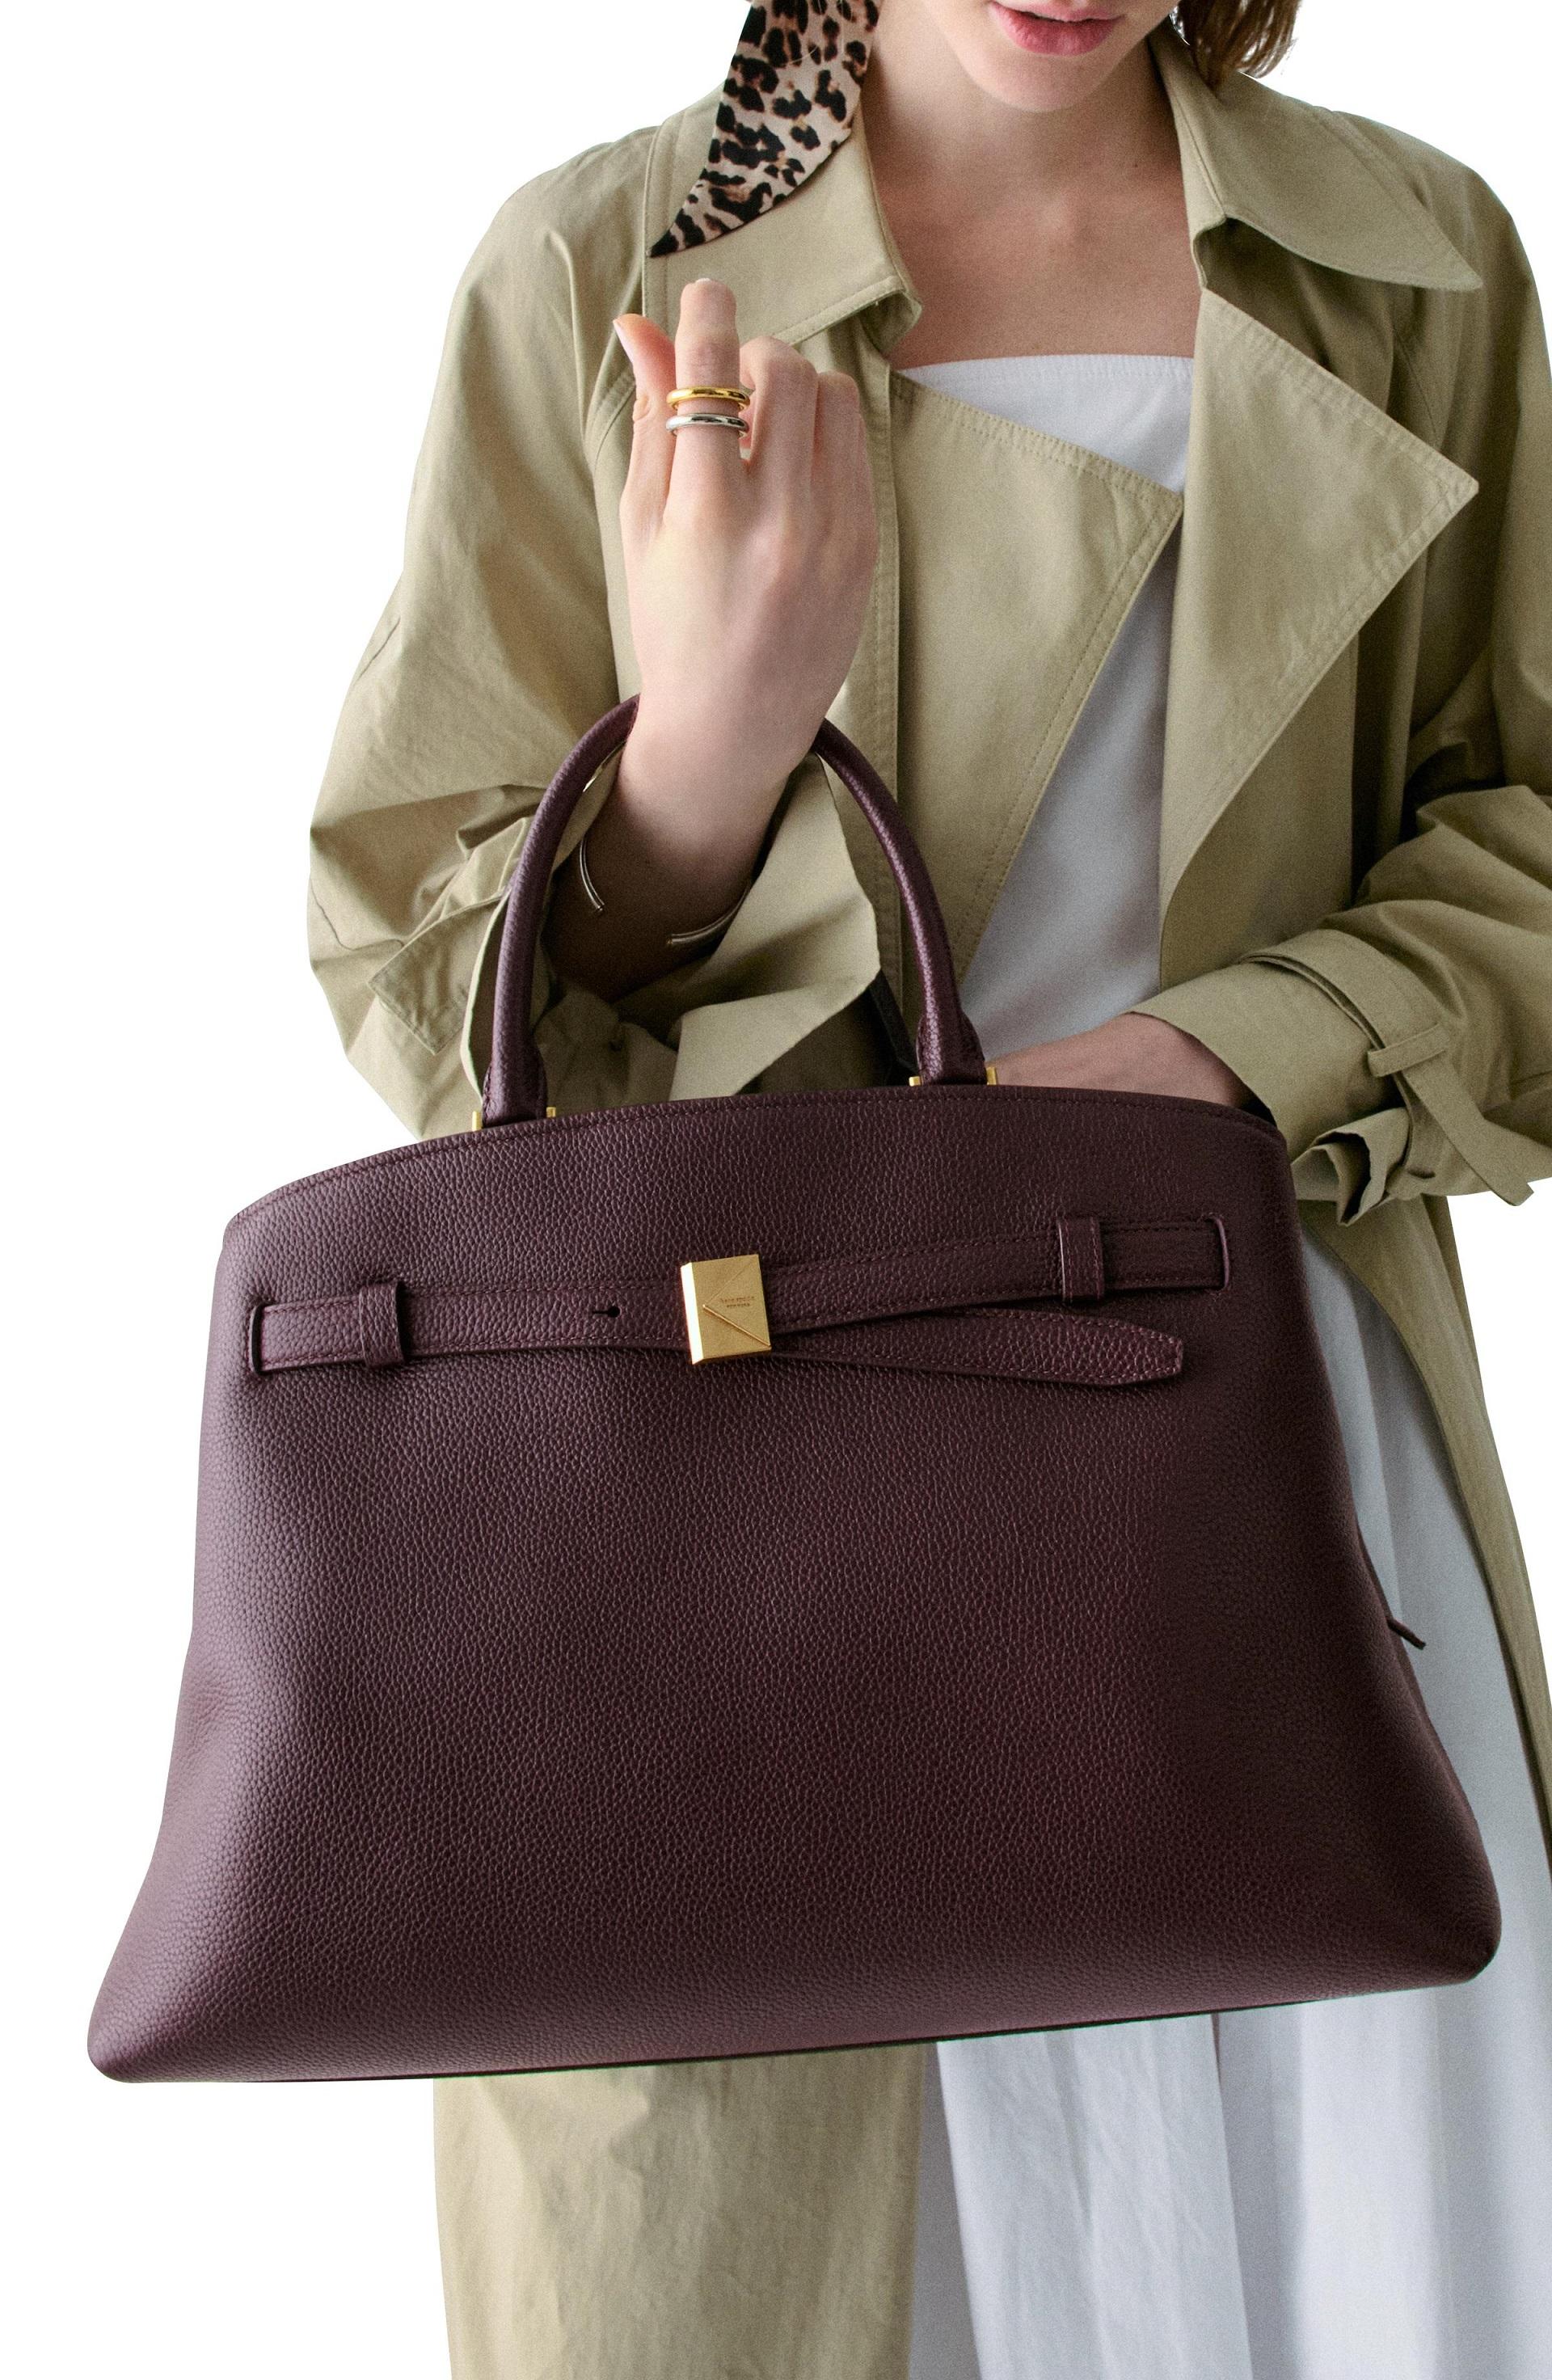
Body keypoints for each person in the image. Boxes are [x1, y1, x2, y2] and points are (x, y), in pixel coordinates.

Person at [306, 3, 1552, 2374]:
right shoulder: (606, 267)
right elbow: (419, 974)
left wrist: (1232, 1057)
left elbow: (1535, 837)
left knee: (1366, 2252)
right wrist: (701, 755)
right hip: (745, 1490)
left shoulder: (1418, 261)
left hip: (1272, 1442)